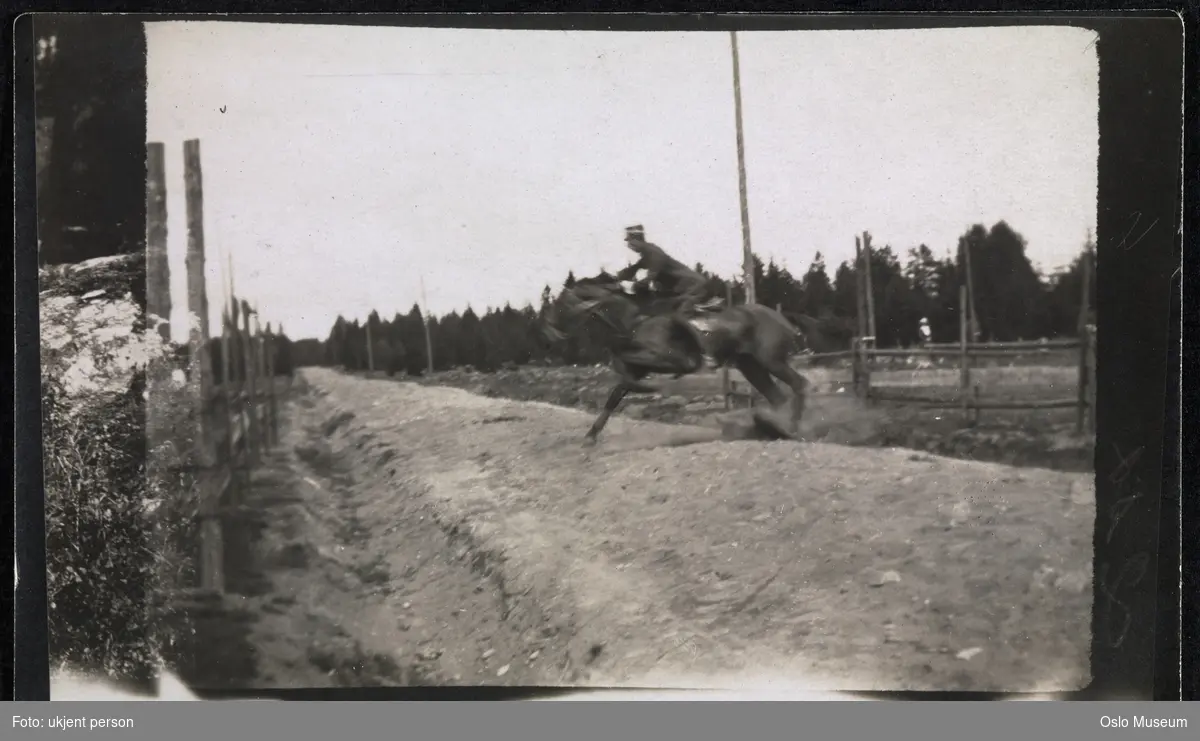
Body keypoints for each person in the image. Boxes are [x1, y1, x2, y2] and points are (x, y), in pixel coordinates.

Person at [613, 225, 722, 317]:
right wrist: (614, 278)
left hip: (692, 286)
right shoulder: (647, 253)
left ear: (637, 239)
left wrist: (630, 286)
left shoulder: (654, 253)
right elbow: (633, 269)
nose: (629, 245)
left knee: (675, 319)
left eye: (630, 241)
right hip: (683, 287)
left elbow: (649, 279)